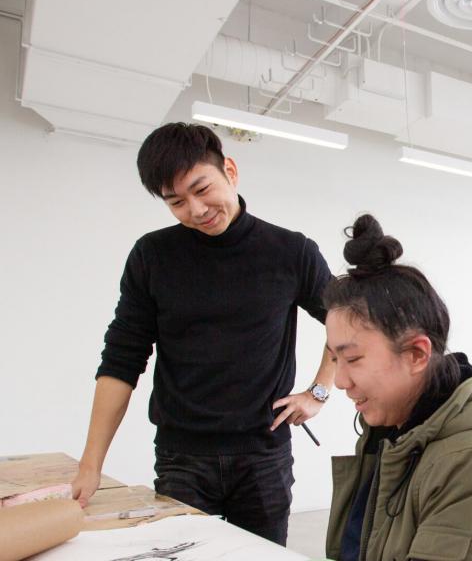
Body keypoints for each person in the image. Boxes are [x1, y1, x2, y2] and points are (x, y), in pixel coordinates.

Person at [70, 123, 335, 545]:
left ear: (230, 170)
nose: (196, 209)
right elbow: (121, 359)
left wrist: (318, 392)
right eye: (176, 202)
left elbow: (345, 321)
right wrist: (91, 463)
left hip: (262, 456)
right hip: (182, 458)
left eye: (201, 188)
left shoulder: (290, 251)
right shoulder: (152, 256)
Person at [322, 215, 472, 561]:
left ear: (417, 354)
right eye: (334, 361)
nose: (341, 381)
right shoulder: (391, 433)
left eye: (353, 359)